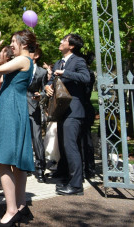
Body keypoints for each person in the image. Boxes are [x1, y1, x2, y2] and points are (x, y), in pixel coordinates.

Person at [0, 30, 37, 226]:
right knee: (15, 162)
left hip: (10, 107)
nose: (12, 45)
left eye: (14, 41)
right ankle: (21, 206)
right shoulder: (23, 60)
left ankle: (11, 210)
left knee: (4, 159)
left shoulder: (24, 60)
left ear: (24, 44)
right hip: (12, 105)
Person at [44, 34, 91, 196]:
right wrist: (47, 87)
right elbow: (53, 82)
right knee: (64, 145)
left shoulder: (78, 61)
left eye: (64, 40)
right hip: (62, 110)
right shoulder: (58, 62)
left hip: (74, 110)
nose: (60, 41)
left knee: (71, 147)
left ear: (71, 46)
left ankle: (76, 185)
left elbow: (86, 78)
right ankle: (65, 175)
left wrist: (65, 73)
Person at [27, 47, 48, 182]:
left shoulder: (42, 72)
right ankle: (25, 166)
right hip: (18, 106)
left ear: (37, 55)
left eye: (30, 50)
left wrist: (40, 95)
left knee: (36, 138)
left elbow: (46, 90)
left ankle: (40, 168)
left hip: (34, 107)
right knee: (23, 137)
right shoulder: (20, 68)